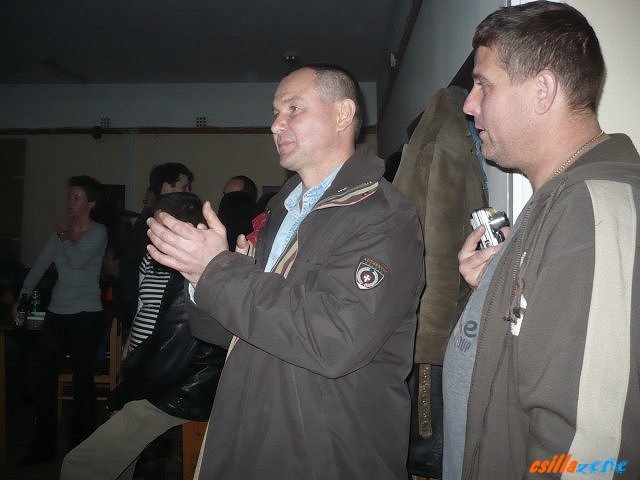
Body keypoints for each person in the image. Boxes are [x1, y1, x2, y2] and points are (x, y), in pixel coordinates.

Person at [147, 65, 425, 479]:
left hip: (328, 451)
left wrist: (219, 271)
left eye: (293, 108)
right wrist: (199, 275)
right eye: (276, 112)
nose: (276, 124)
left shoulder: (383, 216)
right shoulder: (280, 211)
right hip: (253, 431)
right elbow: (226, 332)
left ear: (342, 114)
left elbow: (333, 339)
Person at [443, 2, 640, 479]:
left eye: (484, 85)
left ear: (543, 90)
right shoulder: (555, 203)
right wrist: (493, 290)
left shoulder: (591, 210)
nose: (469, 104)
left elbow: (586, 451)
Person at [60, 192, 226, 480]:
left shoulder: (193, 273)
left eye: (160, 226)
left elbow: (171, 357)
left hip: (177, 391)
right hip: (152, 371)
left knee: (80, 465)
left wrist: (126, 392)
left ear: (181, 228)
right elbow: (144, 308)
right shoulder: (154, 259)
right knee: (121, 462)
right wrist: (129, 348)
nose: (152, 233)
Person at [20, 175, 108, 463]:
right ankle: (42, 445)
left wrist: (65, 238)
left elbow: (78, 260)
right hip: (57, 313)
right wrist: (23, 295)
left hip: (86, 314)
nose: (70, 201)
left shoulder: (98, 232)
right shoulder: (61, 233)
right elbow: (40, 264)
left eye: (77, 197)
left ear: (90, 204)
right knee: (44, 378)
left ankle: (80, 447)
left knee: (83, 379)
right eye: (70, 196)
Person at [120, 163, 194, 331]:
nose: (189, 192)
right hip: (147, 323)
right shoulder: (150, 226)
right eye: (185, 187)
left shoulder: (149, 222)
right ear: (167, 188)